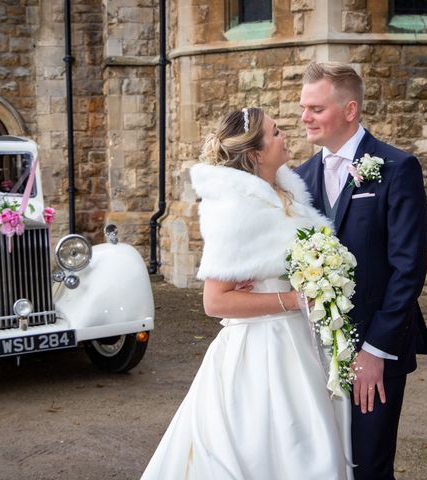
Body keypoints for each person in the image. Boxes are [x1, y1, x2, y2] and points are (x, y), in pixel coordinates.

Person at [141, 107, 354, 480]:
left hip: (300, 342)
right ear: (255, 153)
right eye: (275, 133)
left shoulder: (288, 192)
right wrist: (292, 299)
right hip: (261, 352)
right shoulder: (236, 208)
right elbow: (215, 301)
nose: (285, 135)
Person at [296, 62, 427, 480]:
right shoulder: (299, 178)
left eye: (316, 109)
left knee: (370, 466)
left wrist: (375, 351)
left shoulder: (397, 168)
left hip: (375, 350)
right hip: (311, 353)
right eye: (304, 107)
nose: (304, 117)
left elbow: (408, 268)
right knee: (323, 462)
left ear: (350, 110)